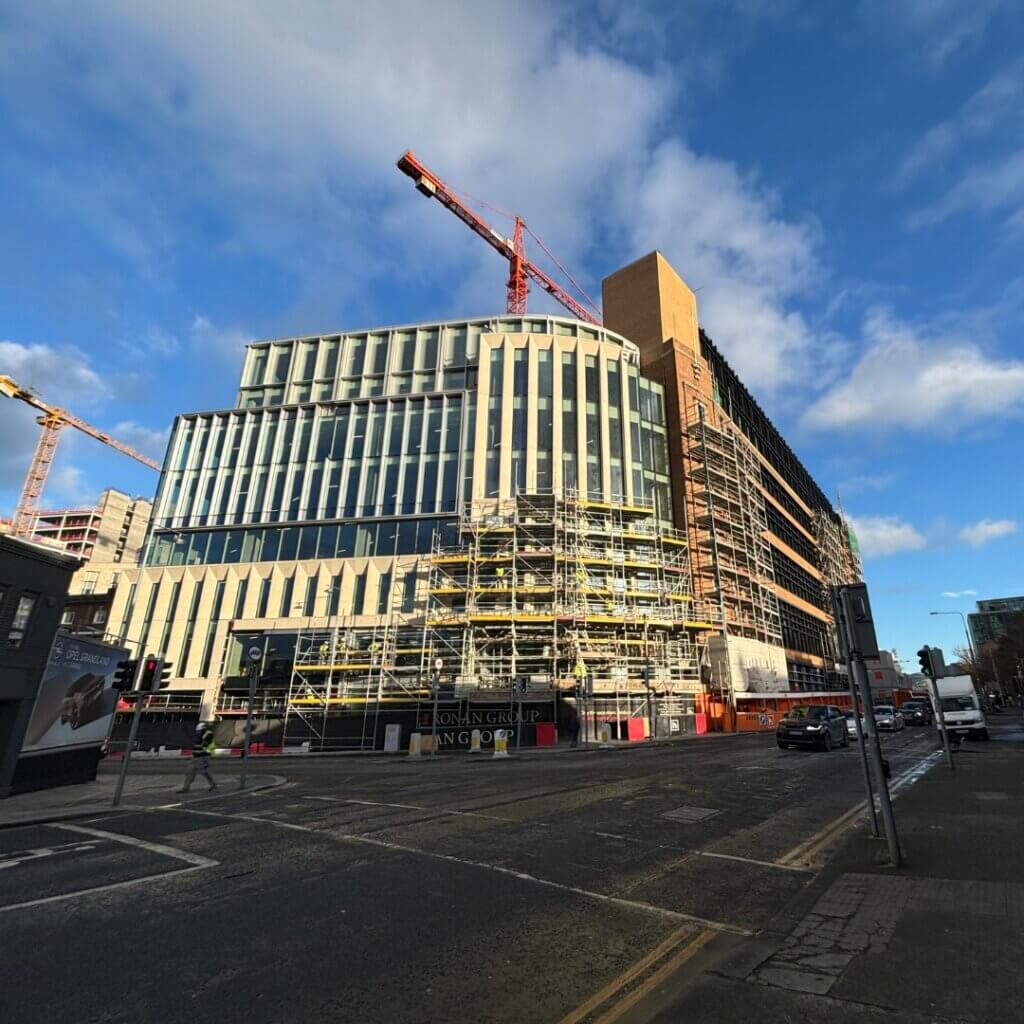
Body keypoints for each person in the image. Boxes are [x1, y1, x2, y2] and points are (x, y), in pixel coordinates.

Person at [178, 722, 217, 793]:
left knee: (205, 772)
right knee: (189, 772)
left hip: (202, 757)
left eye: (199, 731)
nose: (197, 732)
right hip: (195, 756)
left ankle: (213, 785)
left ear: (203, 730)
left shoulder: (208, 735)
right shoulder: (199, 736)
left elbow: (204, 745)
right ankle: (185, 788)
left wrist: (196, 744)